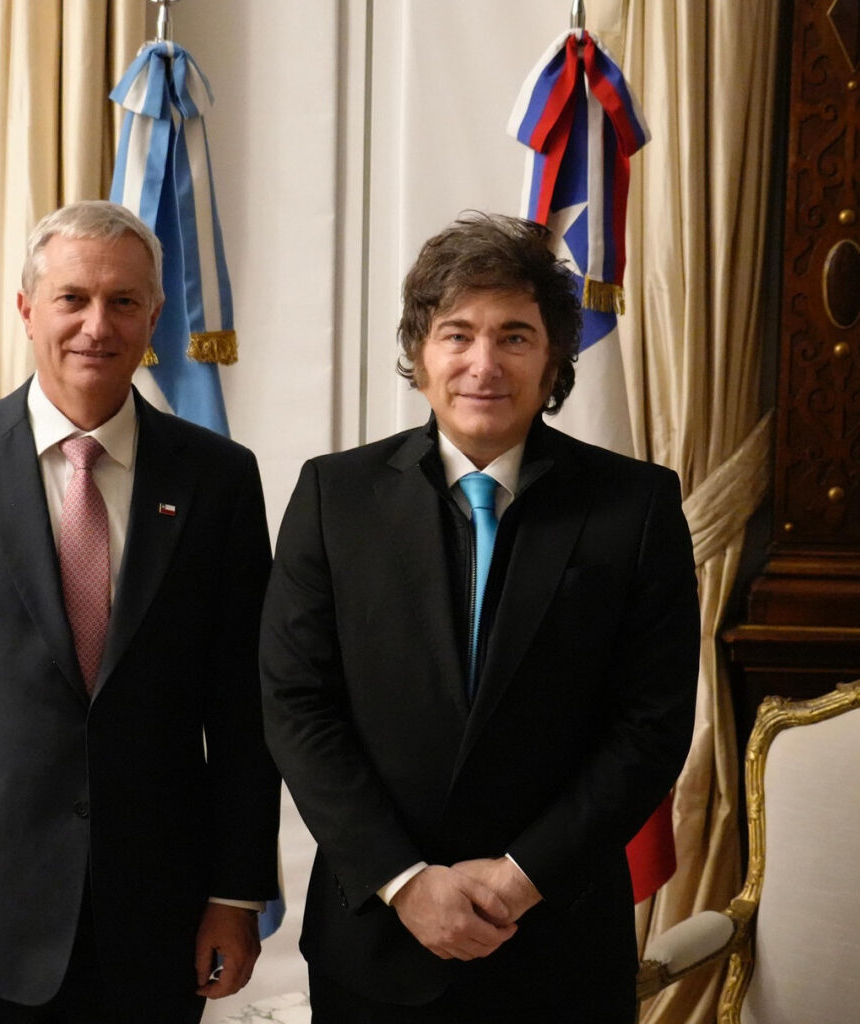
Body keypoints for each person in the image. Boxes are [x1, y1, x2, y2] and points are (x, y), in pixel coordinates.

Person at [0, 200, 280, 1023]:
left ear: (154, 316)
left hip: (159, 912)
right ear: (26, 310)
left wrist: (235, 892)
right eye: (72, 298)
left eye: (123, 302)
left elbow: (243, 708)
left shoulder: (217, 478)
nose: (96, 325)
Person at [259, 212, 699, 1022]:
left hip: (556, 939)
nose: (482, 364)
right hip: (377, 940)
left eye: (515, 336)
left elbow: (651, 724)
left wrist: (519, 877)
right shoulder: (333, 498)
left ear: (554, 357)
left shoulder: (634, 508)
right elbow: (295, 707)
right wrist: (405, 879)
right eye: (456, 334)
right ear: (420, 354)